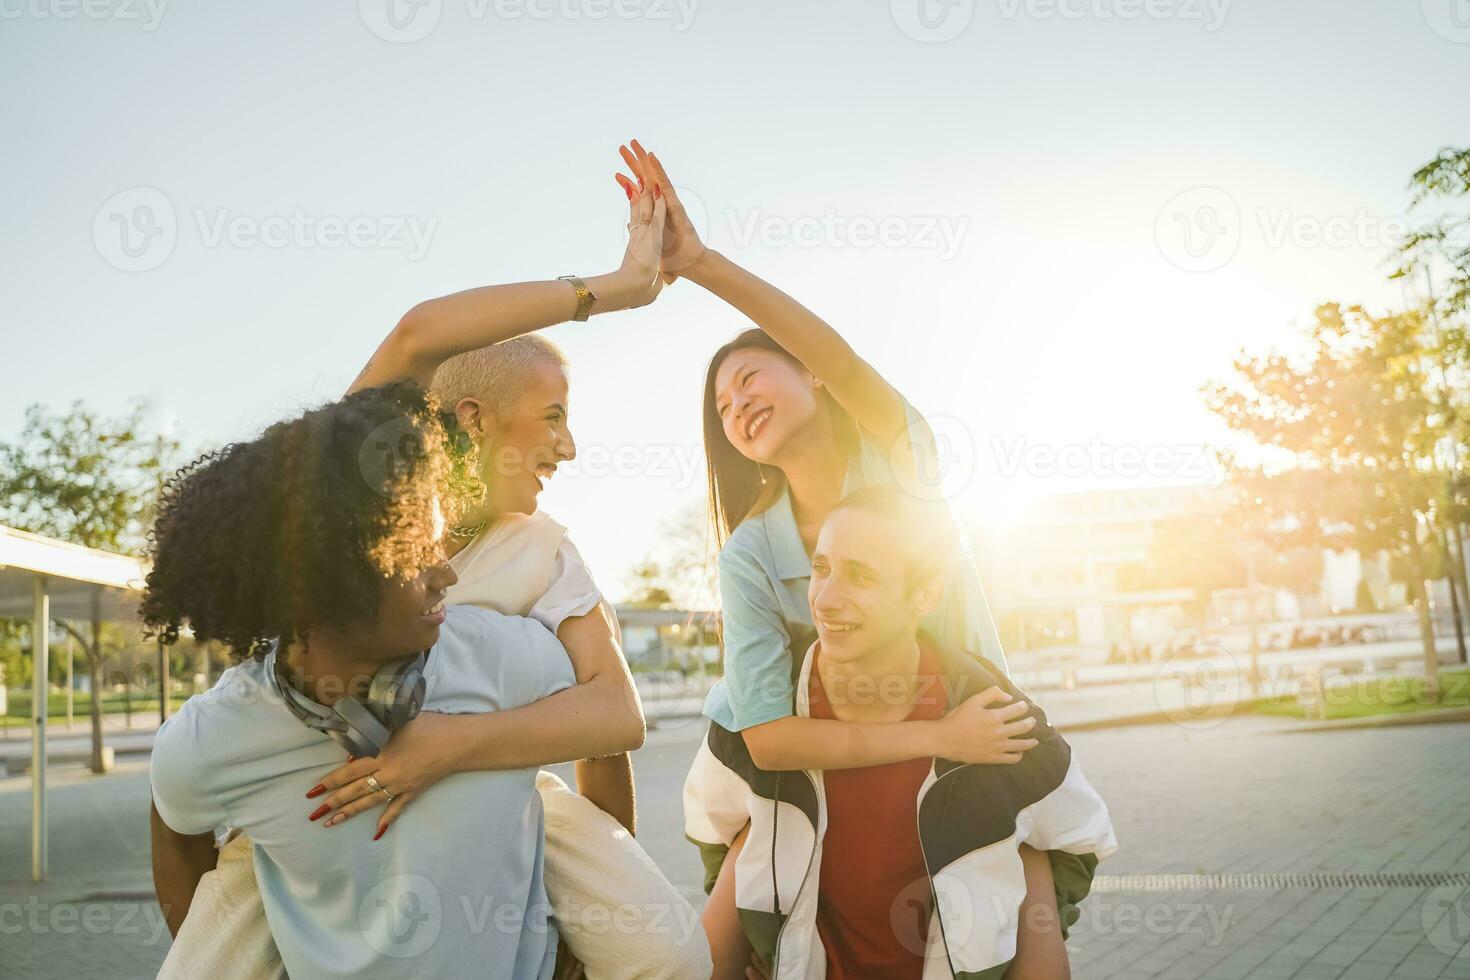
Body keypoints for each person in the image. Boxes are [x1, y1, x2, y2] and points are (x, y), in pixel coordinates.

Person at [154, 172, 712, 978]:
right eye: (553, 418)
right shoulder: (347, 490)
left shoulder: (541, 551)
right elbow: (420, 335)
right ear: (476, 422)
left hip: (485, 774)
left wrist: (450, 746)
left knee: (664, 951)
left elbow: (614, 719)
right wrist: (615, 288)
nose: (570, 447)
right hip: (311, 784)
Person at [609, 143, 1065, 972]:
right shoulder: (750, 551)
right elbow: (773, 741)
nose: (736, 404)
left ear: (812, 378)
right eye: (722, 404)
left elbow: (848, 362)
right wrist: (933, 729)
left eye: (751, 378)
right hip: (815, 773)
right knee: (735, 925)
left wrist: (701, 264)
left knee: (1024, 917)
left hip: (970, 735)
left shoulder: (902, 467)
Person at [147, 383, 576, 979]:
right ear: (316, 589)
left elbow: (609, 726)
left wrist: (586, 929)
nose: (446, 574)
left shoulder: (501, 651)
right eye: (413, 551)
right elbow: (175, 836)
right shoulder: (211, 738)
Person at [683, 486, 1117, 978]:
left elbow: (1075, 843)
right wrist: (764, 938)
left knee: (1030, 853)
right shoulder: (754, 717)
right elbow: (716, 841)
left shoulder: (998, 719)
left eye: (861, 576)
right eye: (821, 568)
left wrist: (1011, 947)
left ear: (926, 595)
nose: (825, 600)